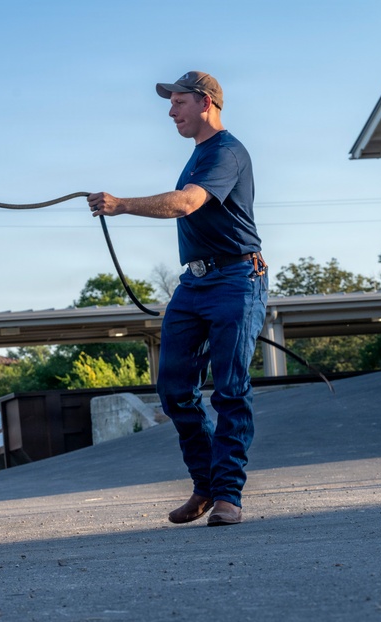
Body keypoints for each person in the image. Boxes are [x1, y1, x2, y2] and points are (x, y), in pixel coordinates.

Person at [86, 71, 267, 527]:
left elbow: (186, 204)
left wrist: (121, 204)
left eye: (178, 102)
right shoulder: (198, 155)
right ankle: (205, 484)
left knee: (229, 389)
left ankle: (228, 496)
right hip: (195, 283)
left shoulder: (227, 152)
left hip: (236, 279)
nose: (170, 111)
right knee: (173, 389)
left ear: (205, 102)